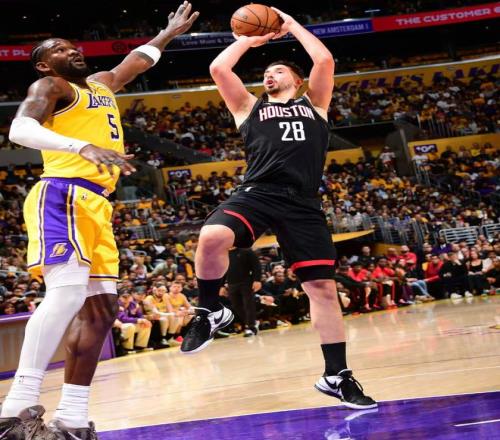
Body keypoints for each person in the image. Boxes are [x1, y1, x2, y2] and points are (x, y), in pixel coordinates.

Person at [0, 3, 198, 438]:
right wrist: (82, 147)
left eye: (73, 46)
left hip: (98, 205)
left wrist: (166, 34)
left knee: (102, 311)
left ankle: (71, 418)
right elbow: (19, 130)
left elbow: (137, 61)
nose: (71, 51)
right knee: (67, 293)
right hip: (62, 194)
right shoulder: (50, 85)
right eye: (59, 49)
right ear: (43, 63)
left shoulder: (102, 83)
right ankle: (13, 409)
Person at [181, 7, 376, 409]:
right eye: (266, 72)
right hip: (258, 193)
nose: (269, 75)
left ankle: (336, 376)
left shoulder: (315, 105)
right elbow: (219, 68)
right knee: (213, 235)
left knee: (322, 289)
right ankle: (209, 310)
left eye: (278, 70)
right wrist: (248, 40)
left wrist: (290, 25)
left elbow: (324, 59)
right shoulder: (248, 108)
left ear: (297, 80)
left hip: (303, 202)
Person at [226, 247, 262, 336]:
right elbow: (221, 270)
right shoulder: (223, 253)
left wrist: (257, 280)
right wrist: (221, 285)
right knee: (236, 306)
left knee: (248, 304)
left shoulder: (246, 250)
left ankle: (251, 327)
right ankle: (252, 322)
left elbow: (256, 265)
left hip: (246, 282)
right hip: (231, 284)